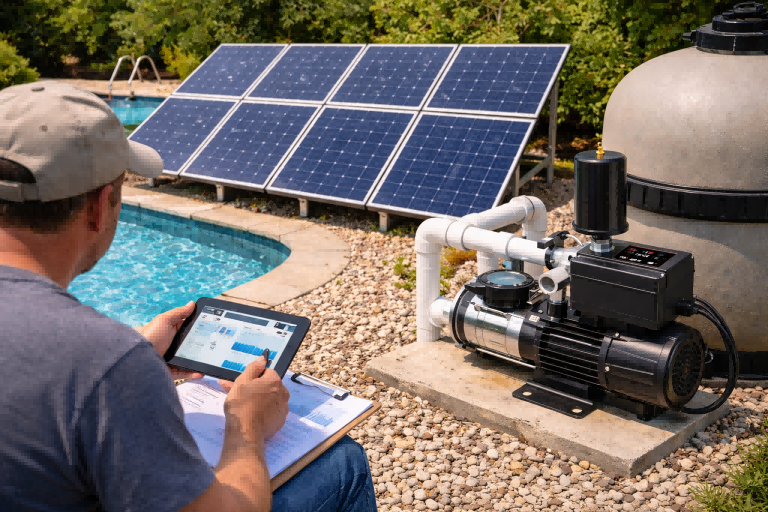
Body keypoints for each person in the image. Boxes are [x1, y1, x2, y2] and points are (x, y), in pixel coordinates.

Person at [0, 81, 378, 512]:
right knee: (343, 463)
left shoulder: (100, 363)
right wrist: (246, 428)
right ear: (99, 205)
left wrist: (138, 358)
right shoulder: (101, 361)